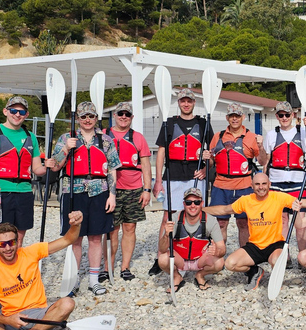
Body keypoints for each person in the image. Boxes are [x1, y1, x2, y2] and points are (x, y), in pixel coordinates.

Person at [46, 101, 120, 296]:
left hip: (99, 191)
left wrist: (112, 195)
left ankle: (94, 279)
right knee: (75, 238)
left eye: (91, 116)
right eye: (84, 116)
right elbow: (54, 166)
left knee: (96, 237)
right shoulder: (66, 138)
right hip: (73, 191)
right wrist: (66, 150)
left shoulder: (105, 140)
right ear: (77, 119)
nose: (88, 120)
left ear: (96, 118)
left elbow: (112, 168)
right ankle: (73, 279)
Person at [0, 96, 46, 261]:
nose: (17, 114)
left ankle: (12, 280)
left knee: (18, 242)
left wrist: (50, 165)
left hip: (24, 193)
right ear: (6, 111)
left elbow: (37, 169)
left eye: (21, 111)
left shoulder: (31, 136)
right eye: (13, 110)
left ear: (26, 114)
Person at [149, 88, 211, 276]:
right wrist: (158, 180)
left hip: (195, 176)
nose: (186, 104)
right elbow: (161, 152)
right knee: (168, 216)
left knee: (196, 215)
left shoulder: (203, 124)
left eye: (189, 101)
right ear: (178, 103)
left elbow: (212, 152)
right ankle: (161, 256)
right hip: (173, 174)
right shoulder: (169, 124)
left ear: (194, 103)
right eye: (183, 101)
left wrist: (206, 169)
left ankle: (195, 253)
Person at [204, 172, 302, 290]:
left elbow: (304, 203)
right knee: (230, 263)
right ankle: (255, 271)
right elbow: (224, 210)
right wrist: (201, 209)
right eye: (257, 184)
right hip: (255, 245)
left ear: (269, 184)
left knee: (276, 261)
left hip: (275, 244)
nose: (261, 187)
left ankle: (275, 281)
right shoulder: (246, 200)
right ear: (252, 186)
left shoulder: (279, 197)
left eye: (264, 184)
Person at [257, 101, 306, 253]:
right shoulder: (271, 134)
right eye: (281, 115)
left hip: (297, 182)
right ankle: (285, 256)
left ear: (293, 115)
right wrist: (260, 148)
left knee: (300, 222)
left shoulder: (302, 132)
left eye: (287, 115)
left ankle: (302, 256)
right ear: (277, 116)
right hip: (277, 182)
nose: (284, 118)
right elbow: (264, 161)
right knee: (282, 221)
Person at [102, 102, 152, 281]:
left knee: (129, 228)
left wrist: (147, 189)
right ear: (114, 115)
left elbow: (146, 165)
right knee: (111, 229)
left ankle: (125, 267)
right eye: (120, 114)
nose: (124, 117)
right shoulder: (103, 135)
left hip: (133, 189)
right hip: (110, 190)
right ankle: (107, 267)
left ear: (132, 117)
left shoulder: (138, 138)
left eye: (127, 114)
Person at [208, 103, 261, 248]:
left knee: (243, 223)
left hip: (244, 187)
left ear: (243, 117)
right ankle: (219, 255)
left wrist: (261, 147)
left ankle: (244, 256)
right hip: (221, 185)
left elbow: (262, 160)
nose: (234, 119)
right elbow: (211, 162)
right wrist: (207, 158)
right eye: (231, 116)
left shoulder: (251, 137)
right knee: (220, 223)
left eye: (237, 116)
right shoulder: (218, 136)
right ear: (227, 118)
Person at [159, 187, 226, 291]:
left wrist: (217, 251)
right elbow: (162, 249)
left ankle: (200, 275)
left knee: (219, 262)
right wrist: (166, 235)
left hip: (200, 259)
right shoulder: (174, 219)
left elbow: (222, 248)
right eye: (189, 202)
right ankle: (177, 276)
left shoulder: (211, 221)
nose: (193, 205)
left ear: (202, 203)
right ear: (184, 204)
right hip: (179, 259)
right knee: (162, 259)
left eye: (197, 202)